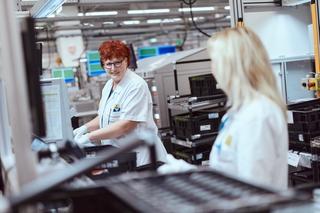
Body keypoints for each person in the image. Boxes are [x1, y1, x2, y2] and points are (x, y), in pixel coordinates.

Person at [159, 27, 288, 190]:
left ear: (232, 64)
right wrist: (190, 174)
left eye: (214, 61)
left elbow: (253, 192)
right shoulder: (239, 110)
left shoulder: (257, 115)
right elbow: (229, 175)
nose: (212, 69)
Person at [73, 40, 167, 167]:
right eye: (108, 64)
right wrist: (84, 128)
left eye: (118, 63)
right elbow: (104, 116)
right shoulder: (108, 86)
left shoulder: (135, 85)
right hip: (122, 156)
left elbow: (126, 125)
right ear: (103, 65)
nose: (113, 68)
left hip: (143, 158)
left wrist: (90, 136)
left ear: (126, 61)